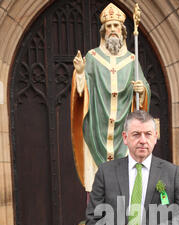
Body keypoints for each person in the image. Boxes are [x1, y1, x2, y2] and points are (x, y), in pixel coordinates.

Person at [71, 2, 150, 192]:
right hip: (96, 130)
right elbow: (81, 94)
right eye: (108, 26)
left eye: (116, 26)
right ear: (103, 31)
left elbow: (143, 90)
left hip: (122, 132)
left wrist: (142, 89)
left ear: (122, 30)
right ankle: (99, 219)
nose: (112, 30)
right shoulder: (92, 57)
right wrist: (80, 74)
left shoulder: (131, 60)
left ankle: (122, 220)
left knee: (123, 186)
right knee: (98, 185)